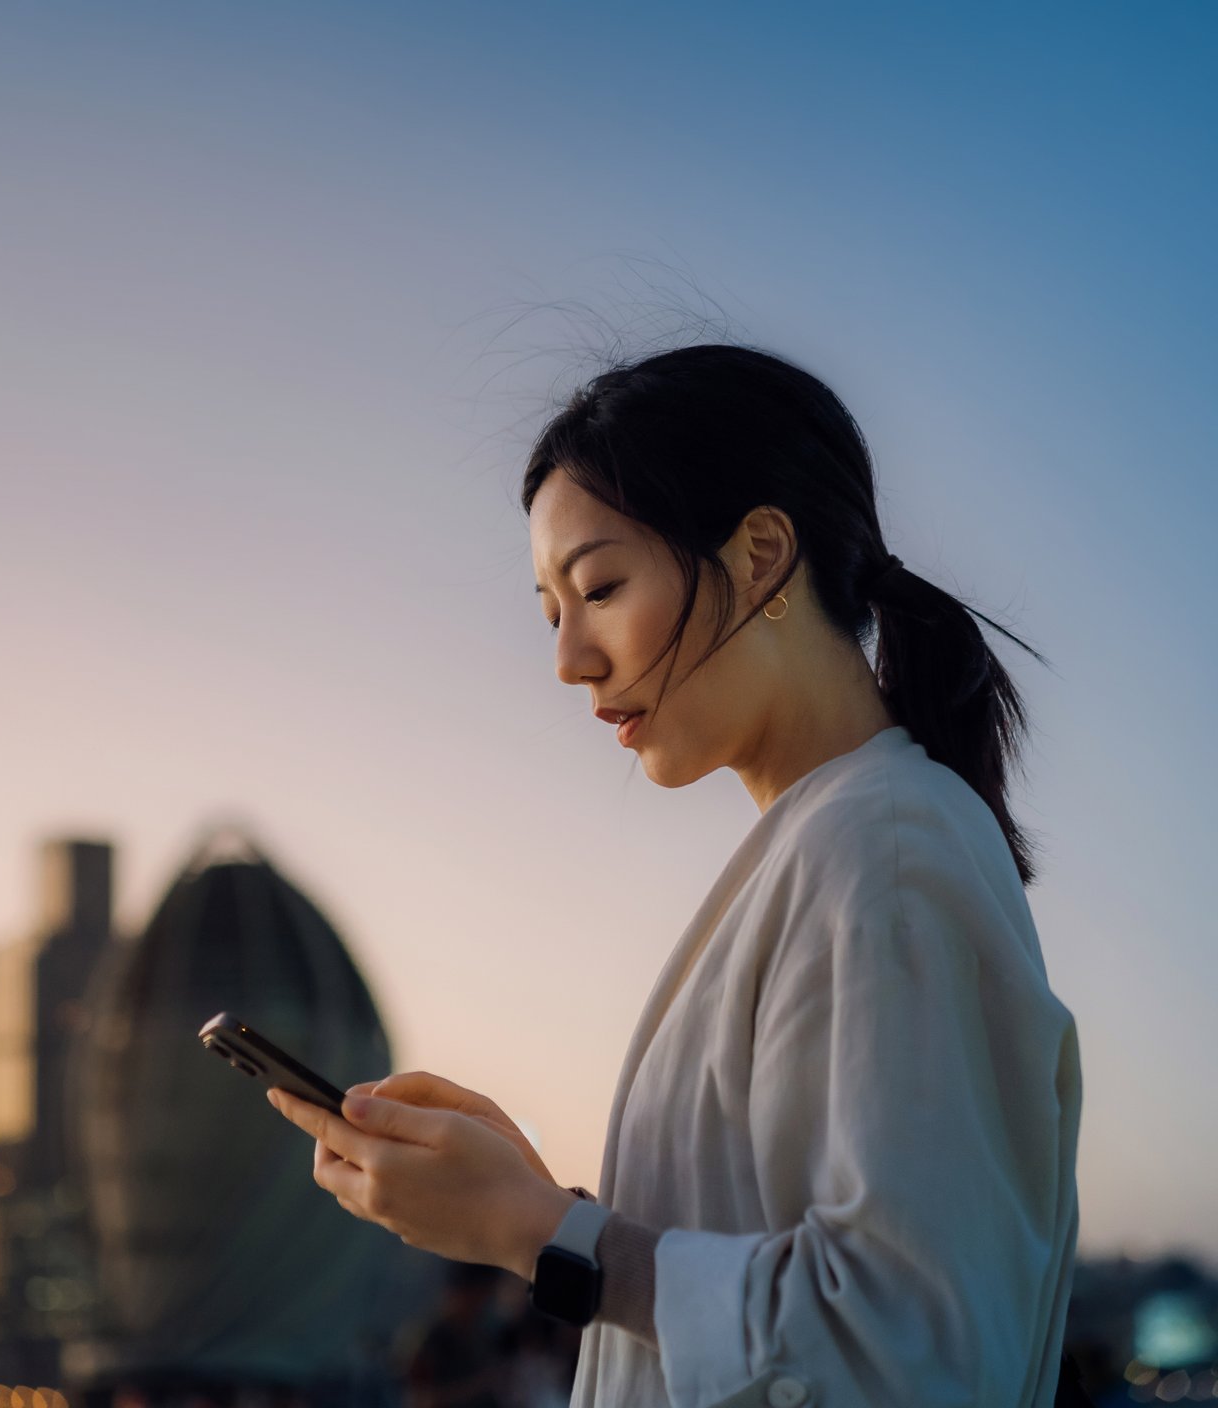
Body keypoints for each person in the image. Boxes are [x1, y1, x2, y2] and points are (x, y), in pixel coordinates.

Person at [269, 344, 1086, 1407]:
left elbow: (907, 1342)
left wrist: (541, 1231)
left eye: (600, 585)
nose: (568, 659)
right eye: (549, 609)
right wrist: (530, 1204)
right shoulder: (831, 845)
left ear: (758, 556)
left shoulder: (883, 845)